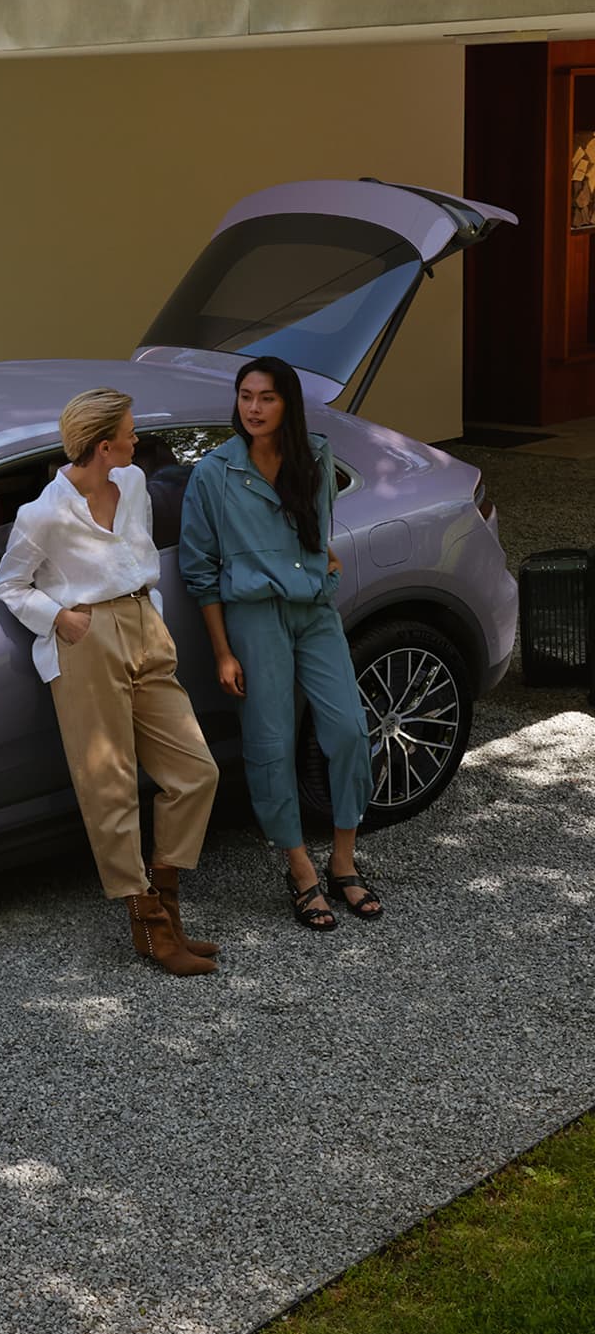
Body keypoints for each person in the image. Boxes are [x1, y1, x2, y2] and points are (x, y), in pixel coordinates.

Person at [0, 388, 221, 976]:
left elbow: (137, 550)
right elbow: (9, 583)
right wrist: (61, 619)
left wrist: (152, 616)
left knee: (196, 772)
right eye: (129, 431)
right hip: (87, 639)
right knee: (110, 785)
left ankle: (167, 900)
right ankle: (148, 921)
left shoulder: (136, 484)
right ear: (103, 445)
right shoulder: (41, 514)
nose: (137, 438)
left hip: (144, 624)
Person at [178, 355, 382, 932]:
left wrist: (327, 575)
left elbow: (322, 535)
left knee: (346, 729)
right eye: (245, 396)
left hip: (314, 612)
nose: (253, 409)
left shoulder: (314, 456)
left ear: (286, 403)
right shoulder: (214, 473)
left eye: (266, 398)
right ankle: (299, 869)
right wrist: (222, 650)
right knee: (270, 741)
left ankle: (343, 858)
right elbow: (201, 570)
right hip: (253, 618)